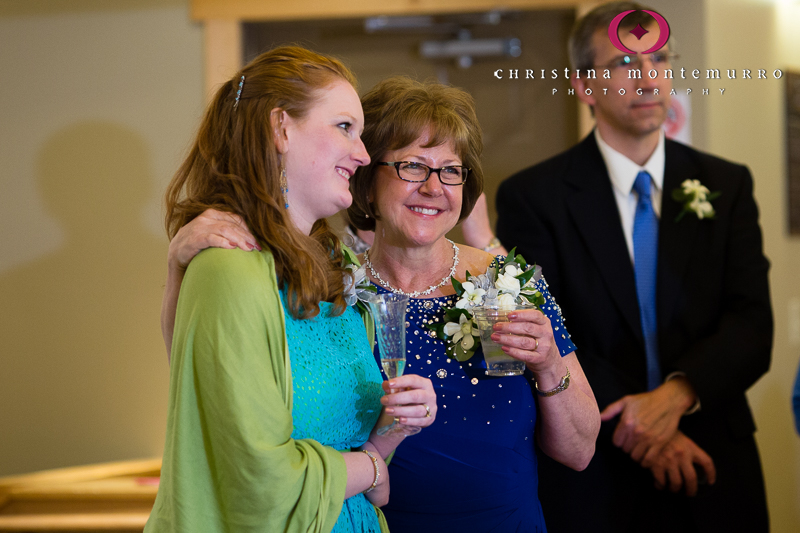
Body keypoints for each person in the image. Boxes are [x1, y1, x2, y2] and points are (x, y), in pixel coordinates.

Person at [166, 76, 601, 532]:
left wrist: (550, 363)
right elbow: (210, 377)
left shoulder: (502, 281)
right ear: (367, 182)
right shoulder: (332, 280)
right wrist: (180, 261)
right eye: (413, 166)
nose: (434, 187)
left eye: (451, 170)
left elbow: (580, 451)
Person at [496, 3, 772, 531]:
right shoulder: (535, 197)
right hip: (595, 461)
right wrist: (641, 426)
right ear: (584, 84)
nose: (648, 78)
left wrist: (674, 398)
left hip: (711, 452)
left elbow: (751, 324)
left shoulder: (728, 184)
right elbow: (549, 329)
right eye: (625, 63)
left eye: (660, 59)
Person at [146, 46, 437, 533]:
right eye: (345, 127)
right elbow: (260, 479)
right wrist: (371, 469)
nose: (363, 155)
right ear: (280, 129)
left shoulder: (332, 268)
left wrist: (395, 428)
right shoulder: (229, 268)